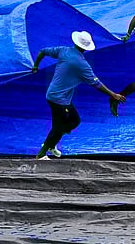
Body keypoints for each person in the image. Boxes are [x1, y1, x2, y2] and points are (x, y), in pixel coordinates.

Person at [31, 30, 123, 160]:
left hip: (59, 97)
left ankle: (52, 144)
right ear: (86, 47)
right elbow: (96, 84)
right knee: (58, 127)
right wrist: (113, 94)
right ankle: (41, 154)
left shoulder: (64, 50)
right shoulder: (82, 65)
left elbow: (43, 51)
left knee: (74, 120)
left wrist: (35, 66)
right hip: (58, 99)